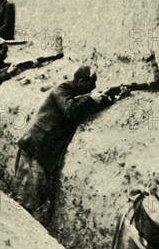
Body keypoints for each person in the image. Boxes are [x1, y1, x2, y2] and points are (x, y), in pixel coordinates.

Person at [13, 66, 114, 223]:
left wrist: (108, 99)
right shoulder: (63, 88)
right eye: (91, 84)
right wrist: (90, 98)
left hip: (45, 147)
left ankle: (27, 221)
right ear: (81, 81)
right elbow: (70, 110)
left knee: (35, 189)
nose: (93, 88)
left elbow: (82, 109)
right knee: (26, 191)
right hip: (36, 142)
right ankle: (21, 224)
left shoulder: (76, 95)